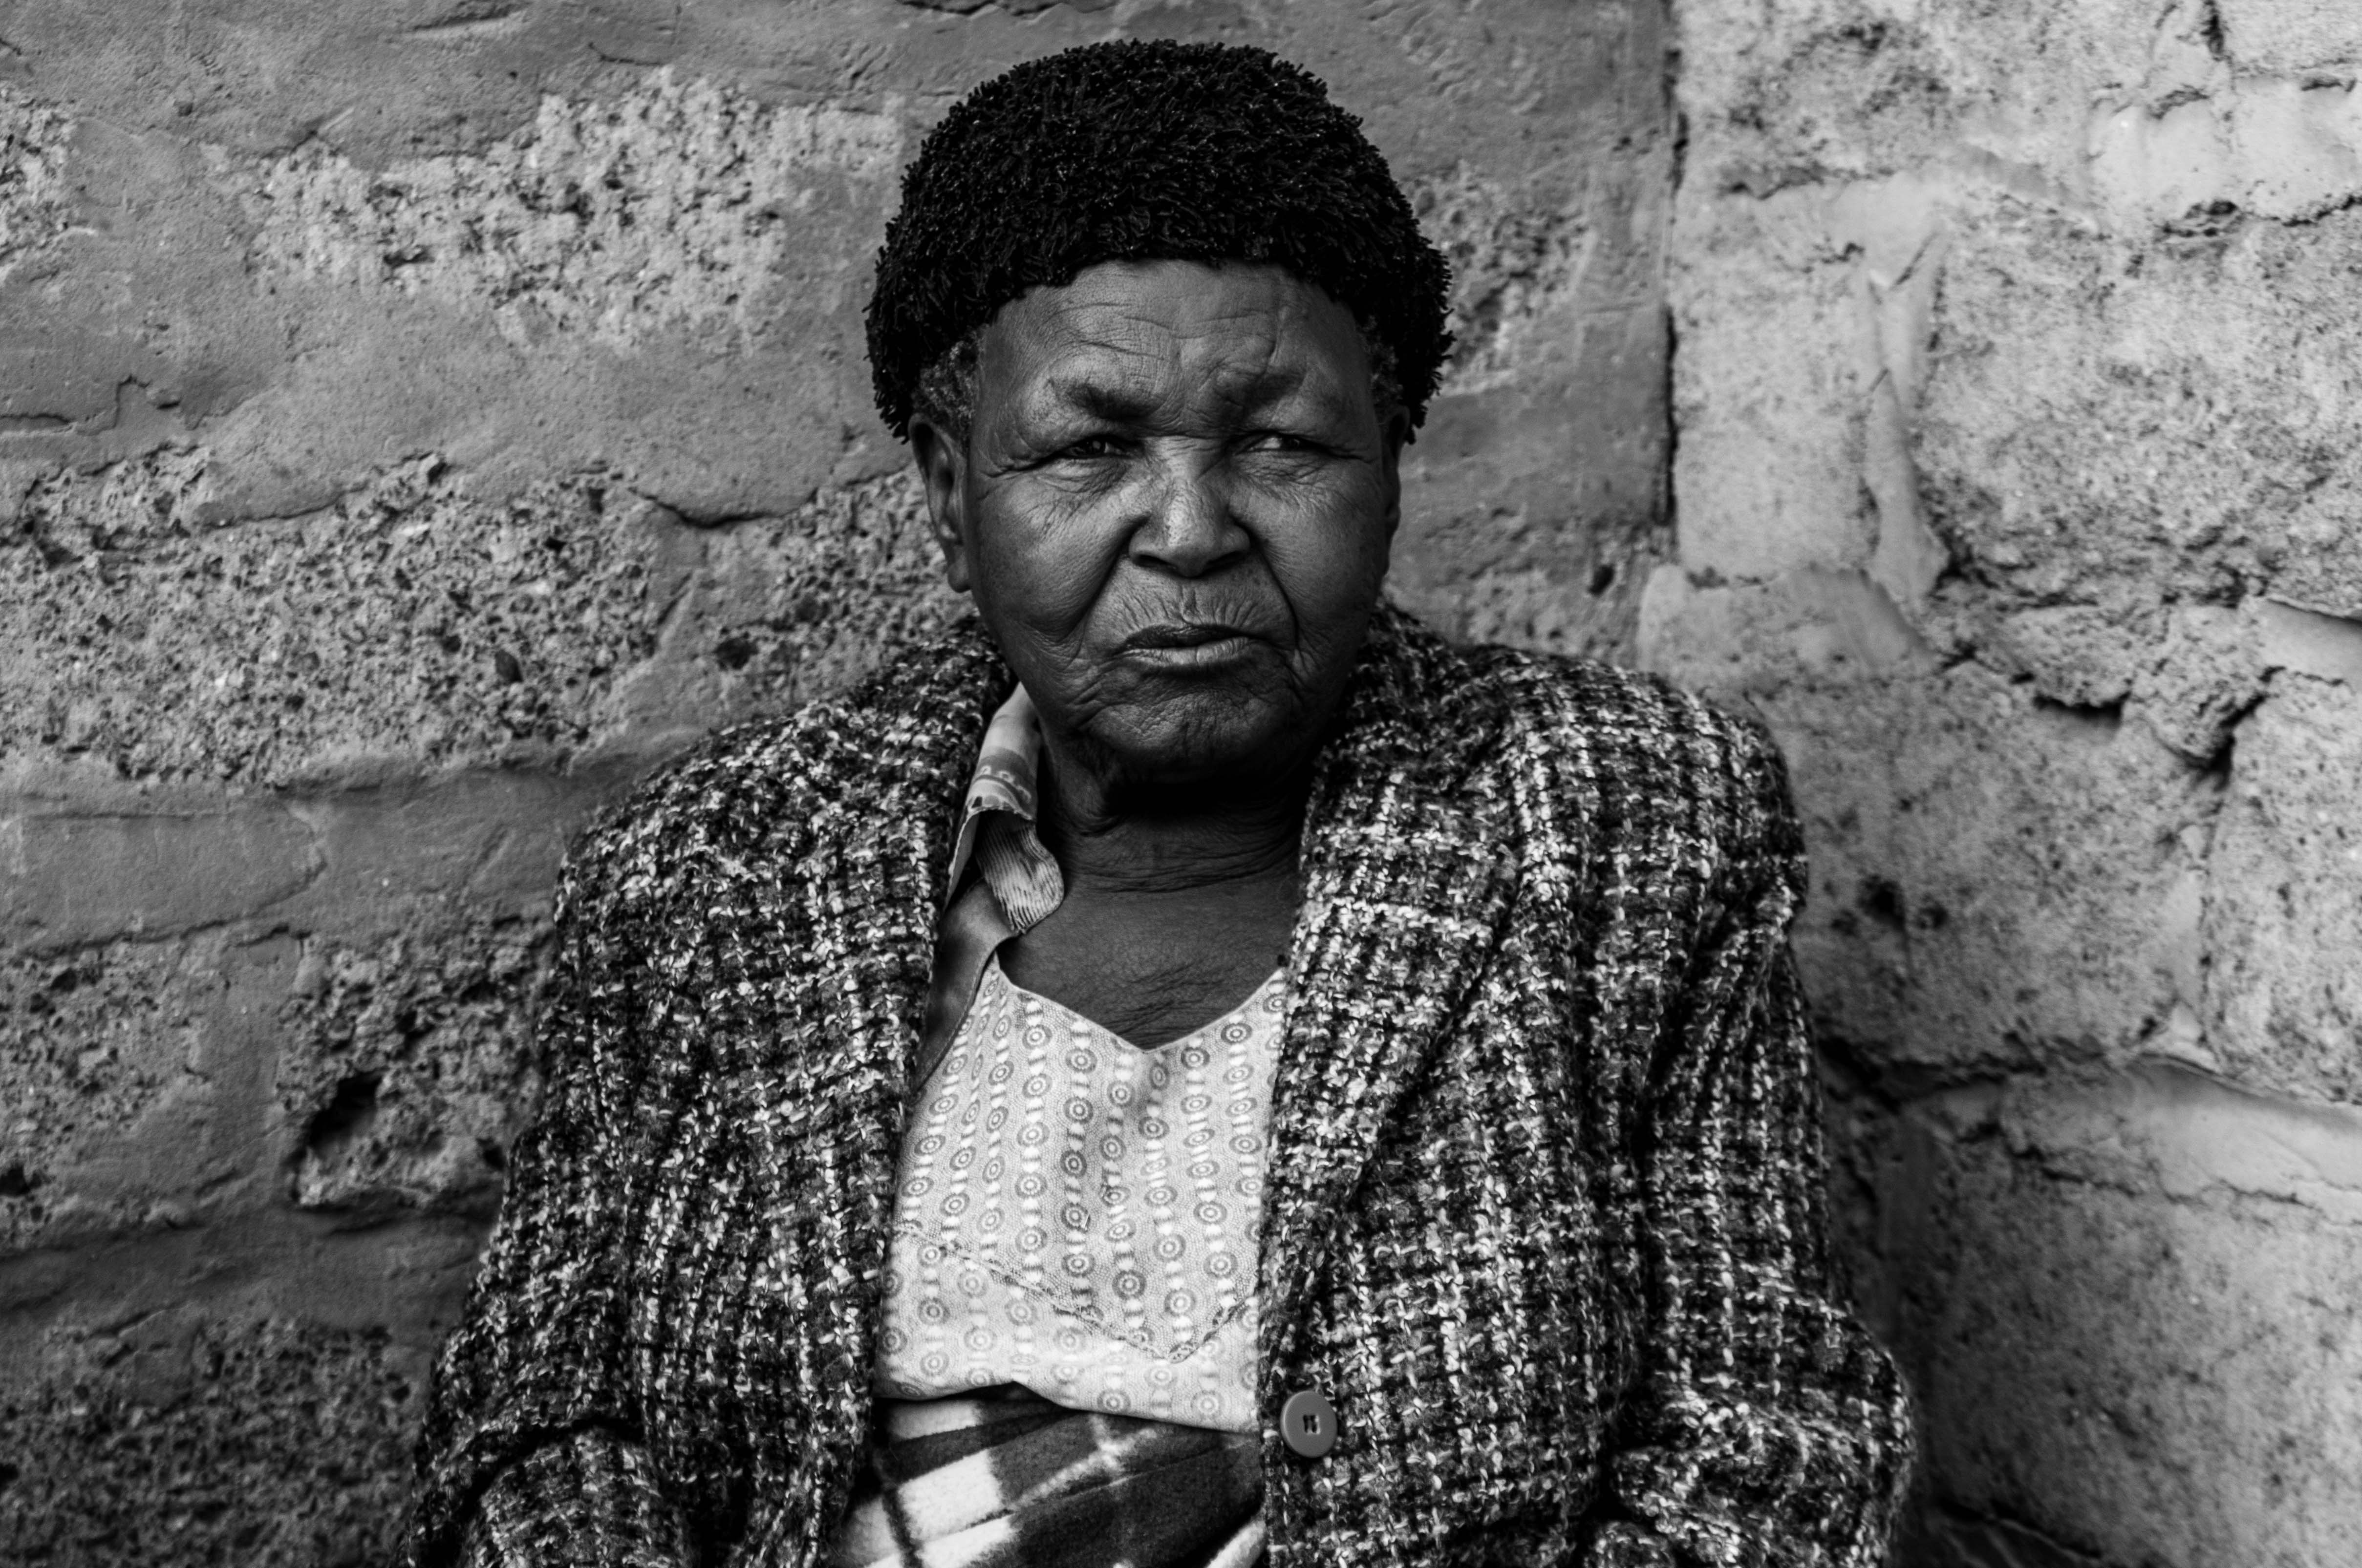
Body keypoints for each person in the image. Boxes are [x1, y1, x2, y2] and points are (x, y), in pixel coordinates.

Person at [405, 40, 1913, 1568]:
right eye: (1088, 446)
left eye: (1279, 442)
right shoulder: (715, 876)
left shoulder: (1625, 828)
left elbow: (1768, 1443)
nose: (1189, 531)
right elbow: (538, 1429)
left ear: (1389, 470)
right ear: (951, 493)